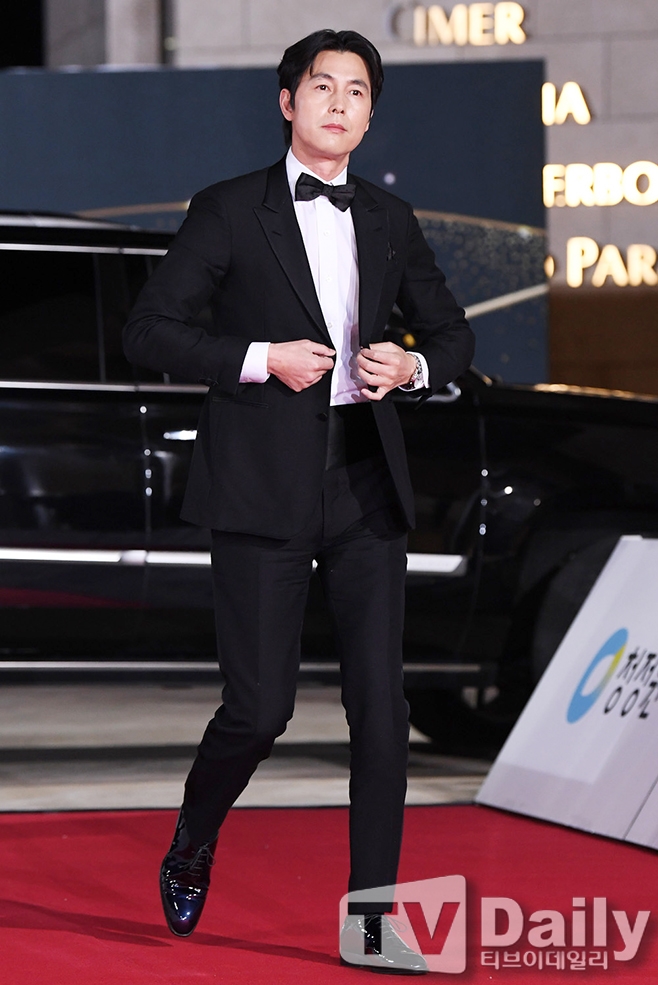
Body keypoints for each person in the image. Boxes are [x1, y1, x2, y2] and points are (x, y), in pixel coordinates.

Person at [123, 28, 474, 974]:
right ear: (288, 102)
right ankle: (194, 837)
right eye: (322, 86)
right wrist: (260, 358)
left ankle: (373, 920)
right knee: (259, 708)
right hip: (259, 487)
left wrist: (413, 366)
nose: (338, 103)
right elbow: (148, 330)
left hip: (364, 484)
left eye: (357, 91)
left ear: (370, 114)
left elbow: (452, 336)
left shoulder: (391, 217)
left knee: (382, 710)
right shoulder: (229, 208)